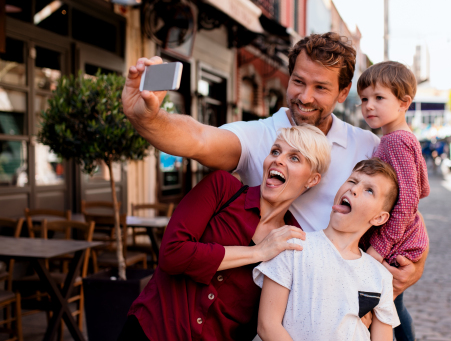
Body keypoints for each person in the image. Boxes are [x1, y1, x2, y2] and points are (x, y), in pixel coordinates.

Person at [122, 32, 428, 337]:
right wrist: (149, 118)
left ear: (343, 91)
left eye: (320, 87)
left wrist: (416, 264)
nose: (305, 97)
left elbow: (405, 209)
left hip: (353, 304)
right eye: (298, 82)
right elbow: (199, 139)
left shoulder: (367, 145)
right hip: (284, 310)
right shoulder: (262, 135)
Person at [120, 125, 331, 341]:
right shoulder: (222, 188)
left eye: (294, 158)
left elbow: (271, 317)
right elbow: (172, 255)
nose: (278, 160)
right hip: (151, 331)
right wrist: (258, 253)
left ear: (312, 180)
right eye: (275, 151)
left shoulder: (292, 243)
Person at [254, 159, 401, 341]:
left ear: (379, 217)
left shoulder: (380, 276)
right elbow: (268, 325)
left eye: (369, 190)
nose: (353, 189)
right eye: (352, 181)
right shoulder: (293, 247)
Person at [357, 61, 430, 340]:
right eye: (364, 99)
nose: (369, 106)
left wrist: (379, 246)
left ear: (404, 103)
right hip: (397, 236)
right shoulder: (395, 138)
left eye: (379, 98)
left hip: (393, 241)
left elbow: (410, 198)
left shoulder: (396, 141)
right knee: (389, 306)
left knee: (387, 310)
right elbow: (422, 187)